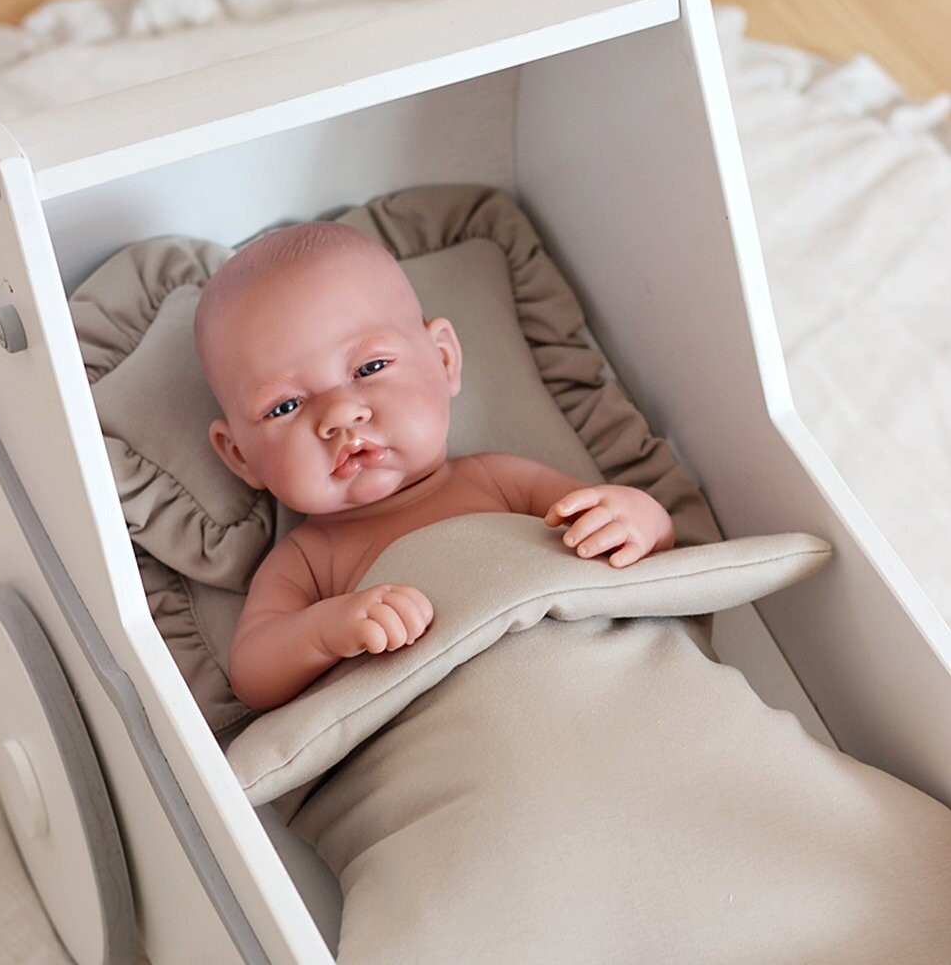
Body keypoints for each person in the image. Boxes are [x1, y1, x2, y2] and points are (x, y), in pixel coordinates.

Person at [195, 222, 675, 710]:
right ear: (239, 456)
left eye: (369, 368)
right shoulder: (309, 560)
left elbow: (644, 545)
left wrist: (638, 517)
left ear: (444, 359)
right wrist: (326, 631)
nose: (339, 414)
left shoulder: (501, 481)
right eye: (285, 407)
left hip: (605, 681)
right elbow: (253, 675)